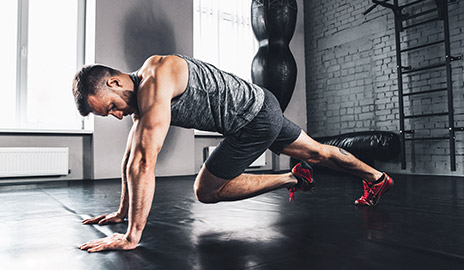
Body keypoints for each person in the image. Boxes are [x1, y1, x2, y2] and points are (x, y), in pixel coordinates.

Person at [72, 54, 393, 253]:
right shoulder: (144, 91)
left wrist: (131, 237)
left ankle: (290, 178)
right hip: (262, 105)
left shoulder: (155, 82)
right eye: (108, 115)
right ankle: (377, 178)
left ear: (114, 82)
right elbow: (130, 159)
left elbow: (144, 162)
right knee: (319, 153)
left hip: (251, 121)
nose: (116, 115)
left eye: (111, 107)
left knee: (206, 191)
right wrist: (121, 212)